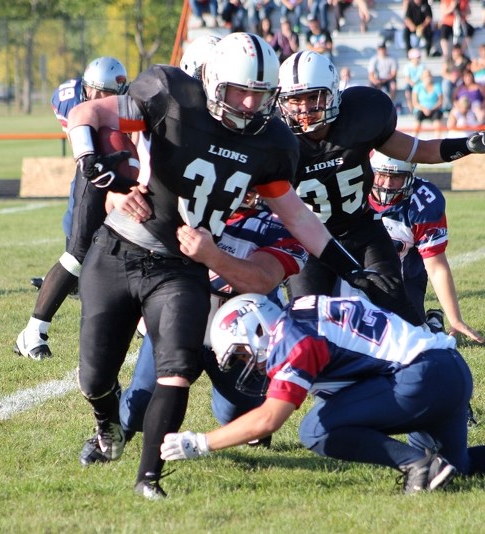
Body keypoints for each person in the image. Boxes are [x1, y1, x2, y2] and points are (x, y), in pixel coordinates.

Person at [63, 33, 393, 500]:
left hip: (205, 290)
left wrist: (349, 268)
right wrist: (105, 171)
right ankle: (110, 424)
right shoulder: (172, 96)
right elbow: (92, 118)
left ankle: (151, 478)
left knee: (230, 404)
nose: (249, 103)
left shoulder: (273, 147)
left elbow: (293, 221)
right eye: (240, 91)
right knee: (113, 391)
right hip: (139, 254)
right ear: (213, 81)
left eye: (260, 94)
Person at [161, 293, 485, 494]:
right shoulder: (304, 310)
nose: (246, 362)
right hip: (447, 372)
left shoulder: (295, 338)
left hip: (421, 378)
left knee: (315, 430)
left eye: (240, 353)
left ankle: (415, 466)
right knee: (457, 467)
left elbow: (271, 419)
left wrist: (200, 442)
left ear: (255, 326)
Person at [277, 51, 485, 327]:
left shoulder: (358, 120)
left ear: (333, 94)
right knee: (307, 322)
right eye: (295, 100)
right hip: (308, 239)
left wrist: (466, 145)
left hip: (360, 230)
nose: (305, 108)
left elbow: (422, 151)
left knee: (399, 314)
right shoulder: (277, 140)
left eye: (313, 97)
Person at [119, 193, 307, 440]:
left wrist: (211, 255)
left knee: (242, 416)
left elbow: (260, 280)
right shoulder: (179, 212)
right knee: (138, 412)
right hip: (178, 322)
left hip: (241, 337)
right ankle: (111, 415)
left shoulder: (277, 224)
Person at [13, 57, 131, 360]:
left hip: (116, 170)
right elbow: (86, 155)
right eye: (101, 94)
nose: (108, 102)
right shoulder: (72, 100)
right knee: (78, 252)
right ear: (89, 89)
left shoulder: (126, 101)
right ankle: (32, 332)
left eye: (113, 95)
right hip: (93, 170)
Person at [368, 151, 483, 342]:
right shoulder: (353, 192)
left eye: (396, 176)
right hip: (360, 272)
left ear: (409, 175)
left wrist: (455, 318)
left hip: (404, 274)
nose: (387, 184)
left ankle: (433, 321)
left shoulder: (422, 202)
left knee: (408, 340)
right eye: (382, 175)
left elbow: (436, 266)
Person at [412, 68, 444, 135]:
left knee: (437, 121)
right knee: (418, 119)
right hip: (421, 109)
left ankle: (438, 141)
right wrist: (424, 109)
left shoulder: (437, 86)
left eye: (429, 75)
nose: (428, 77)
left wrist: (431, 109)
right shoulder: (417, 87)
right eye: (426, 76)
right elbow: (415, 103)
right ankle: (413, 141)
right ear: (422, 77)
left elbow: (440, 101)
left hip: (435, 109)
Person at [402, 48, 426, 114]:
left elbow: (423, 77)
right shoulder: (407, 66)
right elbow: (407, 78)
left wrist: (416, 85)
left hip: (419, 84)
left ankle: (419, 109)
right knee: (408, 93)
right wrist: (413, 84)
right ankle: (411, 110)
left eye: (419, 57)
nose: (418, 59)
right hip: (411, 84)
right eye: (417, 57)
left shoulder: (422, 66)